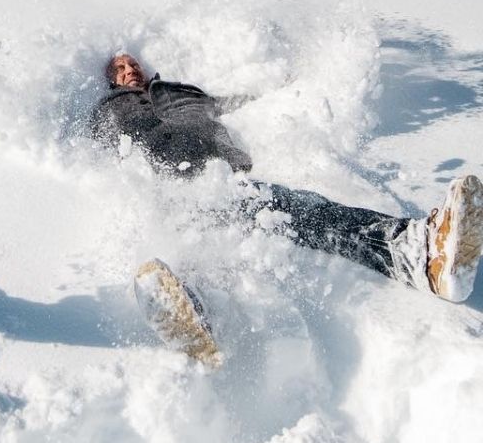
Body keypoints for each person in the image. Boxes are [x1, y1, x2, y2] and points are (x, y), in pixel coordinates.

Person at [88, 53, 483, 306]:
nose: (129, 69)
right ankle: (190, 305)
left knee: (307, 211)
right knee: (198, 232)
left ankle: (417, 252)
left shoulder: (184, 92)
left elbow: (240, 103)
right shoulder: (109, 109)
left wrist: (291, 82)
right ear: (112, 81)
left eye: (131, 63)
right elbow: (105, 153)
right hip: (169, 187)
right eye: (119, 69)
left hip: (222, 181)